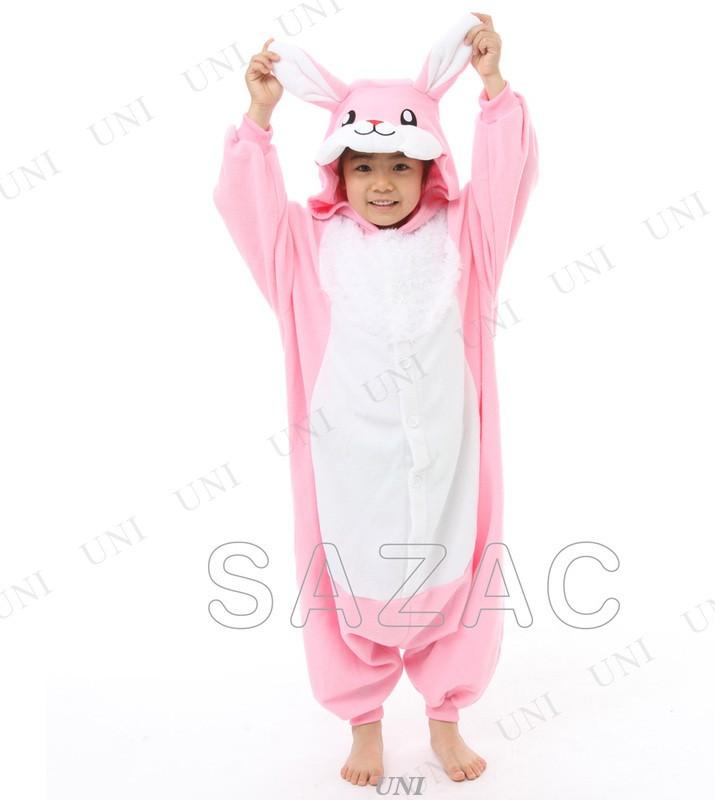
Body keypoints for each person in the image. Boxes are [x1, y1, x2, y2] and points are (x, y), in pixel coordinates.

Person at [212, 12, 539, 786]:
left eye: (402, 164)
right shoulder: (305, 248)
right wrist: (259, 120)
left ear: (433, 169)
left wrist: (493, 89)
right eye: (363, 167)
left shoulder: (464, 240)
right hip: (348, 470)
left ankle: (445, 717)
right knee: (343, 583)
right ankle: (362, 721)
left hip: (451, 462)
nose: (383, 183)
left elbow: (507, 180)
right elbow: (247, 208)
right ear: (337, 173)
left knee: (461, 575)